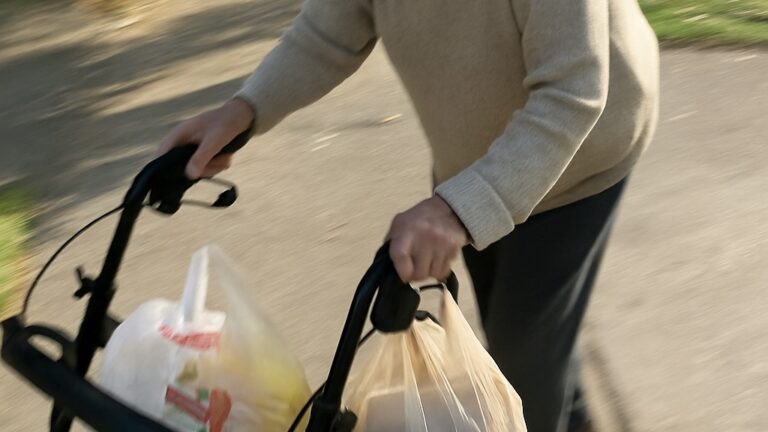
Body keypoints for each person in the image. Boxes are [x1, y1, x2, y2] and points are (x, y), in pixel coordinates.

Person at [158, 0, 659, 430]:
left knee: (520, 356)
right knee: (532, 337)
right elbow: (329, 29)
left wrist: (457, 210)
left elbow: (572, 92)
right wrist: (244, 109)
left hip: (581, 161)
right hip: (474, 163)